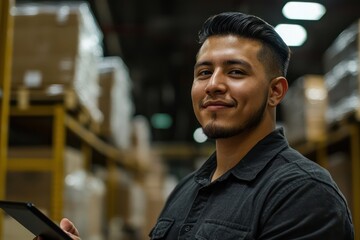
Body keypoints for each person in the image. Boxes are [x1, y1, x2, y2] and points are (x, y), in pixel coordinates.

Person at [37, 11, 354, 240]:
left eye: (235, 72)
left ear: (275, 92)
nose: (214, 84)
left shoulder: (304, 194)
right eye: (204, 73)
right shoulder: (187, 189)